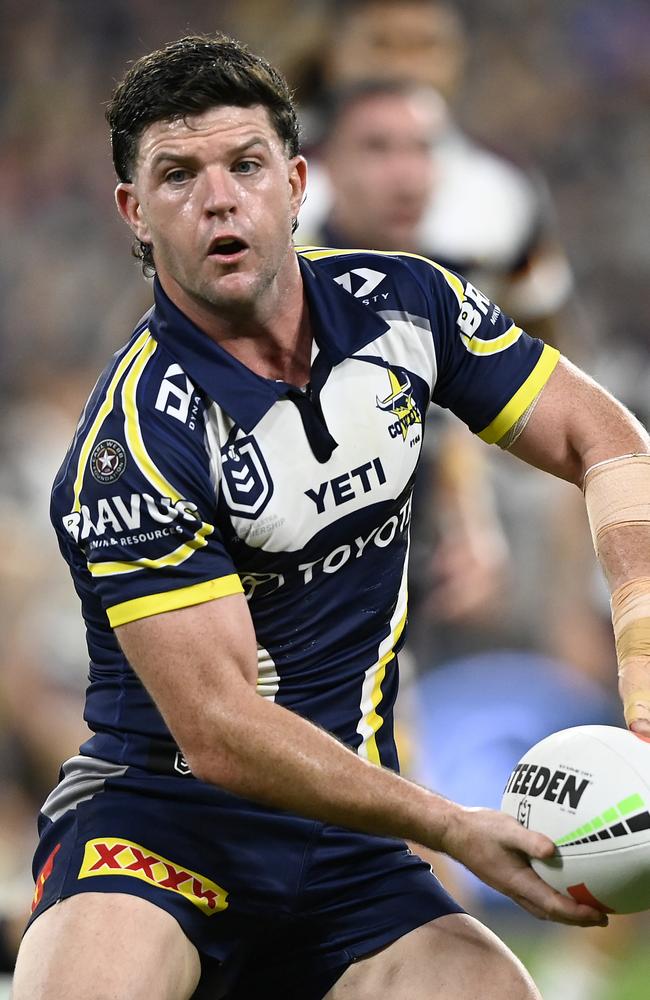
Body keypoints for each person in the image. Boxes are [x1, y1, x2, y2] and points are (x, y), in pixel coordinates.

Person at [11, 32, 650, 1000]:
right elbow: (222, 730)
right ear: (134, 213)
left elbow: (606, 442)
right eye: (177, 175)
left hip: (345, 842)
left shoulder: (408, 305)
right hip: (159, 829)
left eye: (246, 164)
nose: (218, 197)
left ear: (298, 181)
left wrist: (639, 685)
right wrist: (444, 821)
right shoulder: (130, 446)